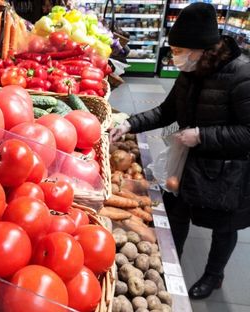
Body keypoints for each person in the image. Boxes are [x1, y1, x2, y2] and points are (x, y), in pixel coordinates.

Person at [110, 2, 250, 300]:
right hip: (189, 164)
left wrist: (202, 135)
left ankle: (214, 275)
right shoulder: (191, 71)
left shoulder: (241, 76)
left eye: (179, 50)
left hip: (229, 170)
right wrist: (129, 124)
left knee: (224, 227)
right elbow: (166, 111)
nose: (175, 57)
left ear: (203, 48)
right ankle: (172, 260)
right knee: (178, 212)